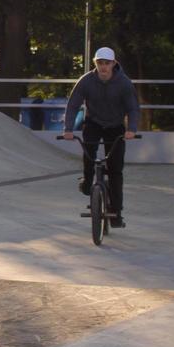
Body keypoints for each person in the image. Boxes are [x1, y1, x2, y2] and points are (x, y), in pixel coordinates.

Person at [60, 46, 140, 227]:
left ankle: (117, 213)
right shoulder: (86, 81)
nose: (103, 67)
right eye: (100, 63)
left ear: (113, 64)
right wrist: (68, 129)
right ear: (95, 63)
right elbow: (73, 105)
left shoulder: (124, 83)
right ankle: (88, 181)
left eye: (107, 63)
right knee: (88, 153)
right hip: (94, 123)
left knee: (115, 170)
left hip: (116, 126)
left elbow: (133, 108)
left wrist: (132, 129)